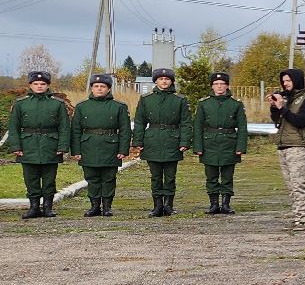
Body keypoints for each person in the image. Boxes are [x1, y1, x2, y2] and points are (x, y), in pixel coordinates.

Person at [5, 69, 70, 219]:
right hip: (28, 145)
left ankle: (48, 207)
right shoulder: (21, 104)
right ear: (30, 85)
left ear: (48, 85)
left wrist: (62, 146)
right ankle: (34, 207)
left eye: (43, 83)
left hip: (50, 145)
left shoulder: (57, 104)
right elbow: (13, 127)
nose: (39, 86)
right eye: (36, 83)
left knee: (49, 179)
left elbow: (64, 127)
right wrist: (16, 146)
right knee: (31, 178)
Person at [131, 67, 191, 217]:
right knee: (156, 176)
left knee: (170, 176)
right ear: (156, 81)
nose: (164, 81)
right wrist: (138, 141)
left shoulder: (180, 100)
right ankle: (157, 205)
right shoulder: (146, 99)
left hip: (172, 140)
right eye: (161, 79)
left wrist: (184, 141)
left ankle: (169, 205)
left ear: (171, 81)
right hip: (152, 140)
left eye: (167, 79)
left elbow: (186, 122)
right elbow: (139, 122)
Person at [70, 74, 132, 218]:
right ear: (91, 88)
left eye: (102, 86)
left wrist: (123, 150)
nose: (99, 89)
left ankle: (107, 207)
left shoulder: (119, 107)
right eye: (96, 86)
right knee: (92, 178)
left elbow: (125, 130)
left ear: (108, 88)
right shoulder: (81, 107)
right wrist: (76, 150)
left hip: (111, 146)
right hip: (88, 146)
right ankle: (94, 206)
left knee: (109, 178)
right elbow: (75, 130)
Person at [269, 68, 305, 232]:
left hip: (298, 146)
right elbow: (278, 120)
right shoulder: (287, 99)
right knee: (291, 185)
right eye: (283, 81)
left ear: (296, 80)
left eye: (288, 81)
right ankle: (298, 218)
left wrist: (283, 108)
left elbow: (301, 121)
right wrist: (275, 107)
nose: (285, 84)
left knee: (298, 184)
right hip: (284, 145)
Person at [190, 71, 247, 215]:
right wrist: (198, 146)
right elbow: (197, 126)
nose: (219, 87)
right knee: (211, 176)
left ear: (227, 86)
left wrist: (241, 147)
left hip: (229, 142)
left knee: (228, 176)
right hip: (209, 142)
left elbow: (242, 126)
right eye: (216, 84)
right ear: (212, 86)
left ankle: (226, 204)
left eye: (222, 84)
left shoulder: (236, 105)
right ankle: (214, 204)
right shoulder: (204, 104)